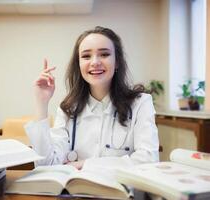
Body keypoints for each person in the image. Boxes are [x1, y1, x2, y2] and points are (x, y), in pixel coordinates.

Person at [25, 26, 159, 169]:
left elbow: (148, 160)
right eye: (86, 56)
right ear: (79, 64)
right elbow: (47, 164)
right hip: (76, 190)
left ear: (117, 62)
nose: (95, 62)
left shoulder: (140, 103)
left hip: (120, 189)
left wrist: (86, 164)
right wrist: (41, 103)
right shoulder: (68, 109)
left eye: (104, 54)